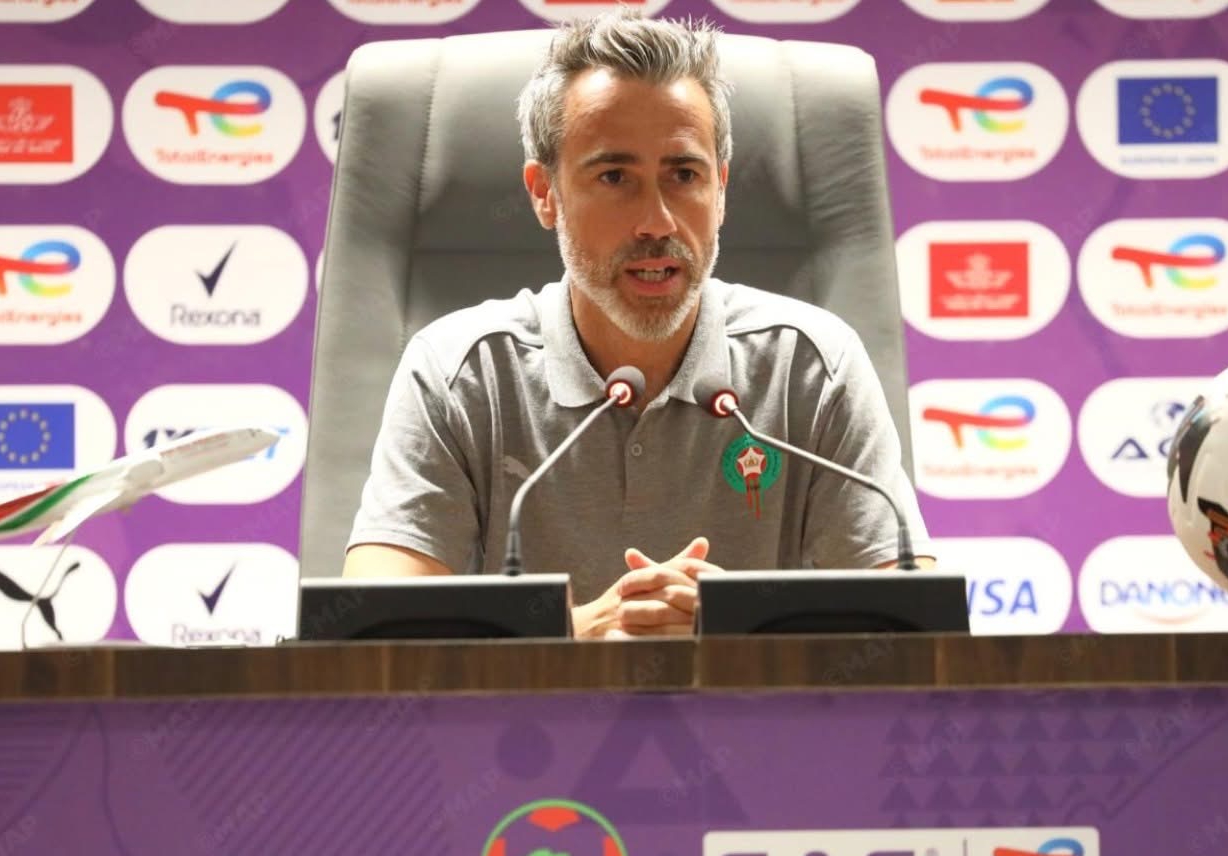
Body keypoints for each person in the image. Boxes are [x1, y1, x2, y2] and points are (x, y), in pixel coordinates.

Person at [344, 10, 931, 638]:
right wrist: (578, 638)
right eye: (614, 177)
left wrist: (743, 630)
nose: (656, 221)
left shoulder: (812, 364)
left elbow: (917, 630)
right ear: (544, 193)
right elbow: (374, 639)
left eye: (683, 175)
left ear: (721, 190)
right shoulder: (458, 371)